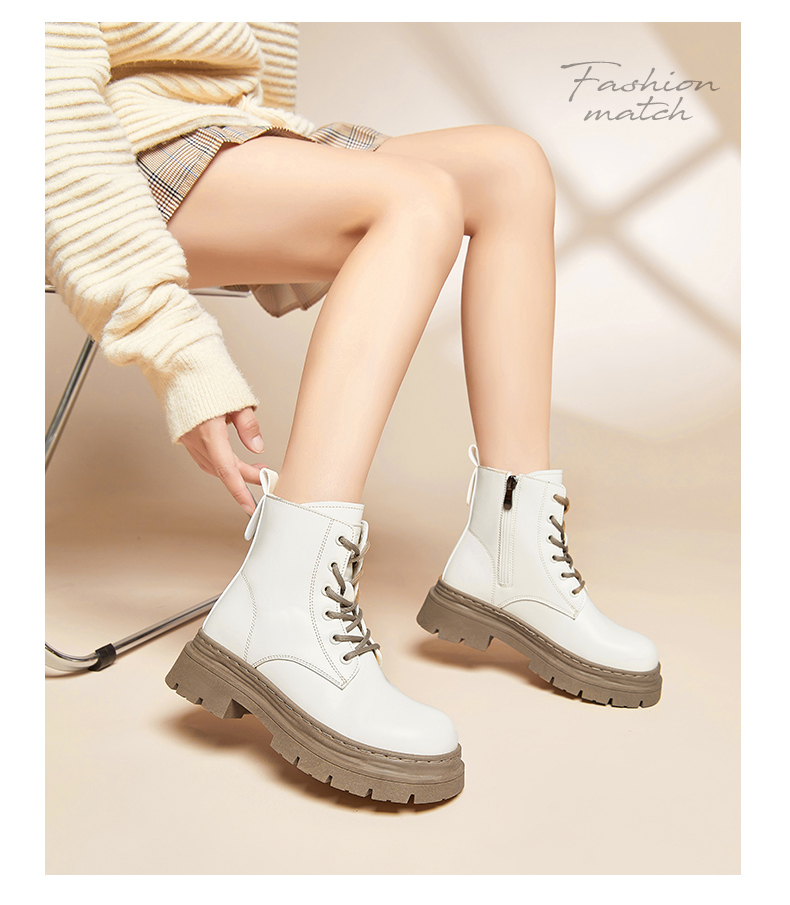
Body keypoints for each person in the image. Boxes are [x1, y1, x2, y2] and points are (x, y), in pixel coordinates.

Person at [46, 22, 662, 805]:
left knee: (511, 167)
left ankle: (512, 553)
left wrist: (290, 178)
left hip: (227, 136)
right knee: (418, 200)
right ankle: (281, 604)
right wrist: (180, 354)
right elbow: (47, 109)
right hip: (85, 161)